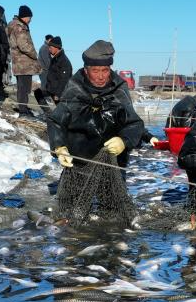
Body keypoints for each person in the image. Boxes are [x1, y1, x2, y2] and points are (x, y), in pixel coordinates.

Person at [45, 40, 145, 215]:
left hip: (112, 161)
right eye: (95, 70)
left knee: (114, 213)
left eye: (105, 70)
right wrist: (59, 146)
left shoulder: (119, 88)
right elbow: (56, 121)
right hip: (79, 160)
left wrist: (124, 140)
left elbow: (135, 124)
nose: (100, 76)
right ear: (86, 70)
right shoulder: (74, 88)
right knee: (69, 212)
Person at [7, 5, 42, 117]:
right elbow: (23, 45)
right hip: (24, 63)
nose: (30, 20)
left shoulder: (15, 25)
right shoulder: (19, 26)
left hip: (20, 63)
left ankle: (24, 108)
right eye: (30, 17)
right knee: (24, 88)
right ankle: (23, 111)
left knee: (23, 88)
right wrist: (34, 54)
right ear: (25, 16)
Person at [37, 36, 72, 110]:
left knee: (61, 113)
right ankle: (48, 114)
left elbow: (64, 81)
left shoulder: (64, 62)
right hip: (51, 90)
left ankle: (54, 116)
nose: (49, 50)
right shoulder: (54, 59)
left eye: (50, 47)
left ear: (57, 47)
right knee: (38, 93)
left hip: (59, 93)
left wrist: (58, 94)